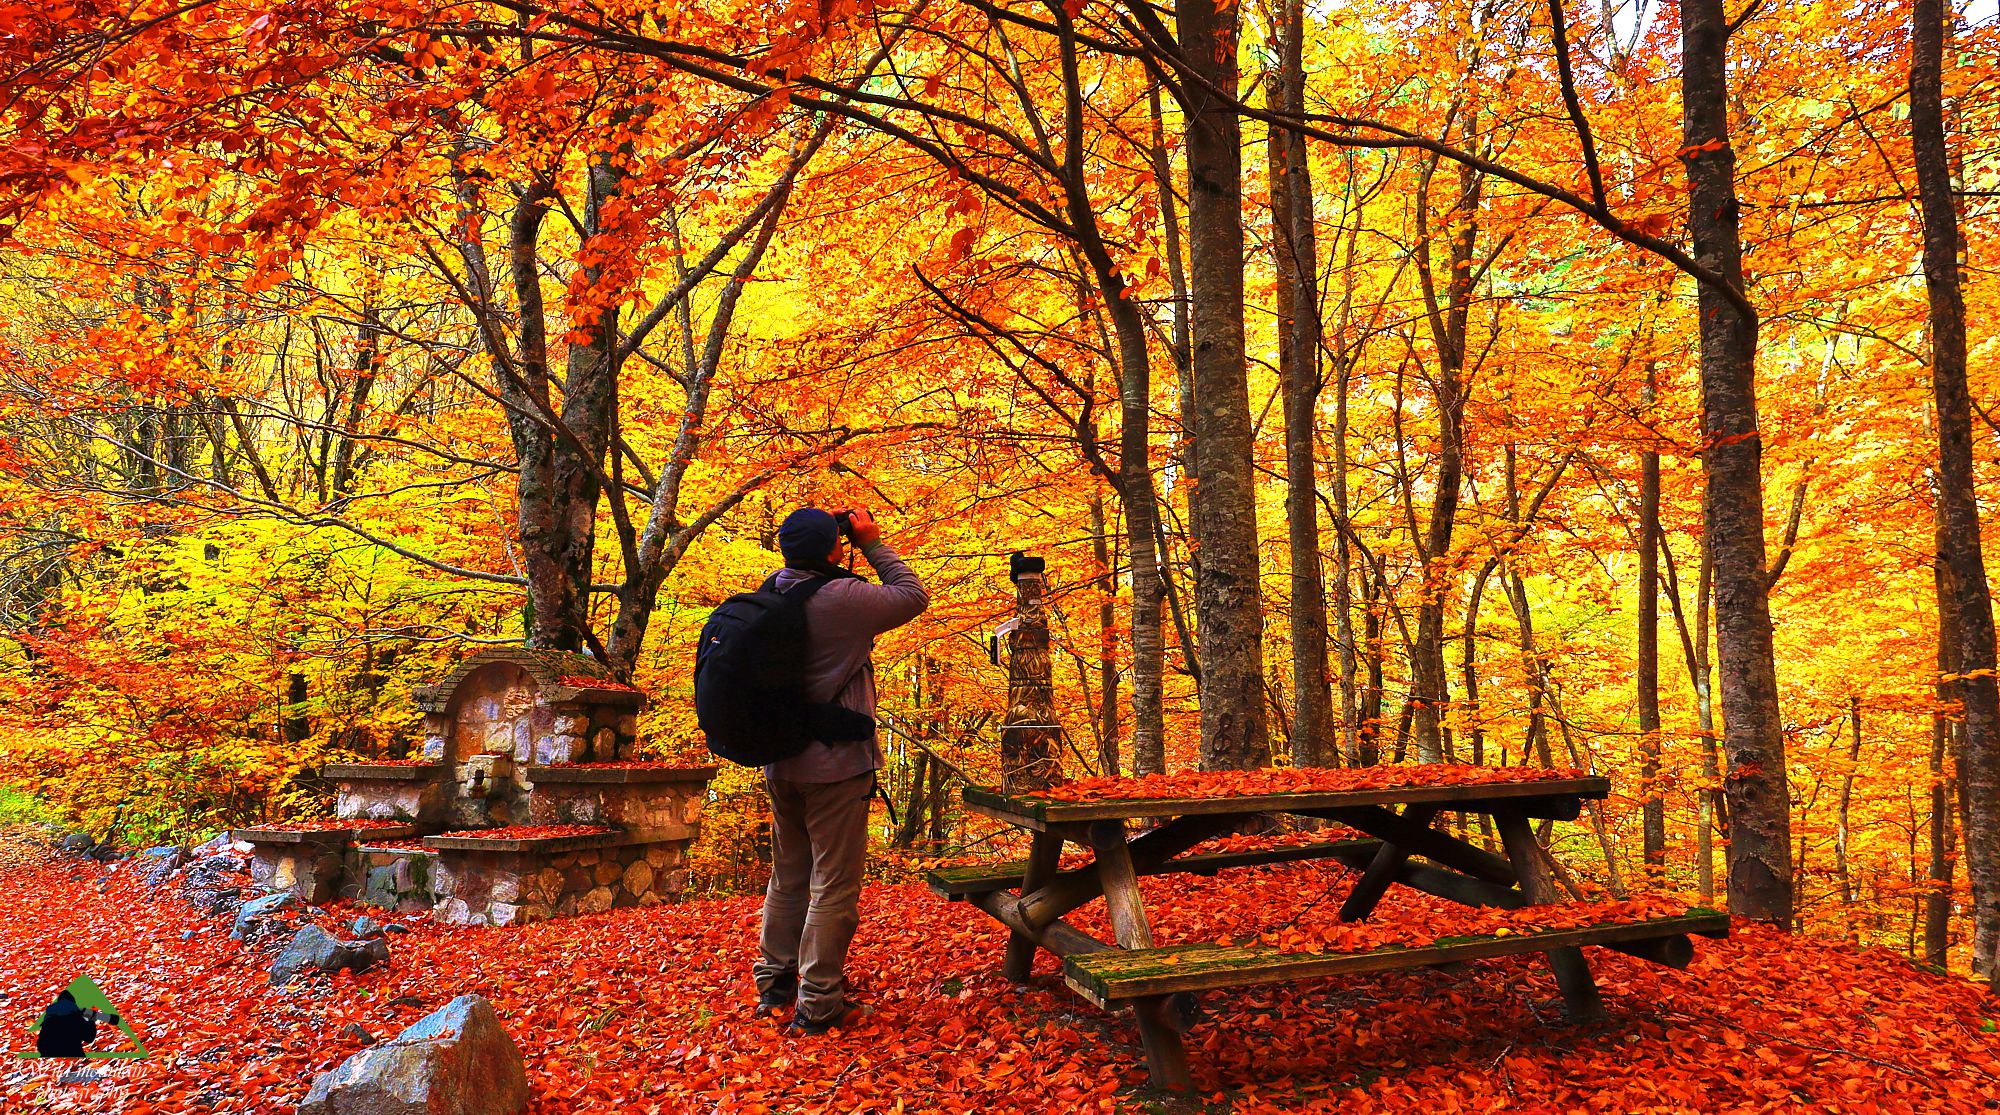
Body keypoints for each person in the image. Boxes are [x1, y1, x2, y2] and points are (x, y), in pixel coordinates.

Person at [752, 506, 928, 1036]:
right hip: (835, 765)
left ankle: (774, 982)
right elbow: (912, 594)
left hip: (781, 758)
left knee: (789, 874)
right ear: (834, 548)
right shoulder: (842, 597)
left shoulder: (771, 592)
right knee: (832, 883)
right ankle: (821, 1001)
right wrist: (872, 542)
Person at [36, 990, 116, 1058]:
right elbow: (89, 1038)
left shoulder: (49, 1015)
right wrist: (90, 1021)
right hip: (72, 1052)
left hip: (46, 1051)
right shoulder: (81, 1013)